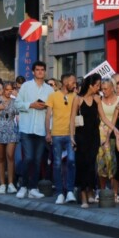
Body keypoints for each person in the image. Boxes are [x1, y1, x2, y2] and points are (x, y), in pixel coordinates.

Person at [14, 61, 52, 199]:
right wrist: (31, 104)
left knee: (37, 160)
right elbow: (17, 104)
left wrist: (50, 131)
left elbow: (51, 111)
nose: (40, 72)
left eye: (42, 69)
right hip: (26, 127)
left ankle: (33, 187)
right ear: (33, 72)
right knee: (28, 158)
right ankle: (23, 185)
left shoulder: (49, 89)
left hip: (41, 129)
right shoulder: (25, 86)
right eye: (38, 69)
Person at [45, 73, 78, 204]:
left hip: (71, 134)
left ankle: (69, 191)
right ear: (65, 82)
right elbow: (48, 115)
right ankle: (59, 192)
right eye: (72, 82)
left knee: (71, 162)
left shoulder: (75, 96)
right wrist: (48, 132)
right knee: (57, 164)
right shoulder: (53, 95)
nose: (74, 84)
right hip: (57, 134)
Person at [73, 75, 102, 208]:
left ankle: (90, 190)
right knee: (82, 164)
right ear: (90, 85)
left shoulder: (97, 99)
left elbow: (103, 117)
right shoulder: (78, 99)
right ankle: (83, 194)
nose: (99, 87)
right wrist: (71, 136)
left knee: (91, 164)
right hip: (81, 136)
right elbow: (71, 119)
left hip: (94, 136)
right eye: (97, 85)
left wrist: (115, 129)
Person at [0, 82, 19, 192]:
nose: (9, 92)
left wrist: (18, 98)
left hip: (11, 129)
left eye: (11, 90)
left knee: (10, 156)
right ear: (3, 90)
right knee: (0, 158)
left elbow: (19, 112)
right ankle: (2, 184)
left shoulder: (15, 101)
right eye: (7, 89)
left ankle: (11, 183)